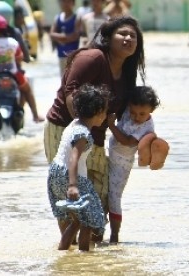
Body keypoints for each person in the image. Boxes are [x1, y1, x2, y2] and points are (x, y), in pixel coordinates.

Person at [44, 15, 146, 242]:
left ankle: (89, 251)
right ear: (108, 38)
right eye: (123, 34)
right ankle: (71, 254)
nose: (128, 38)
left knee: (100, 196)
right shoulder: (92, 58)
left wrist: (146, 138)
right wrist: (83, 131)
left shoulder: (128, 73)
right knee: (70, 193)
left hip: (97, 136)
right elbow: (71, 94)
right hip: (65, 129)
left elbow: (130, 116)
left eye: (133, 36)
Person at [47, 83, 108, 251]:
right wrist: (73, 185)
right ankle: (84, 255)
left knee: (77, 221)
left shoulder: (73, 124)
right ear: (97, 113)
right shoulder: (83, 134)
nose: (106, 115)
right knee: (88, 220)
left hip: (55, 173)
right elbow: (74, 158)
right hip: (72, 177)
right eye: (105, 111)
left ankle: (63, 252)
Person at [107, 86, 169, 243]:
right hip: (109, 153)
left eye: (142, 114)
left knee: (114, 197)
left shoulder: (146, 127)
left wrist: (111, 125)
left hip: (122, 162)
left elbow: (126, 141)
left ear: (151, 110)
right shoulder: (129, 109)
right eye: (133, 112)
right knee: (102, 190)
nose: (136, 117)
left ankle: (114, 236)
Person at [0, 1, 44, 123]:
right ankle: (35, 116)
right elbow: (20, 56)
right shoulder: (13, 40)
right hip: (12, 73)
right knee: (27, 90)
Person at [50, 0, 82, 77]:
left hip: (72, 57)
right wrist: (66, 37)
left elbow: (75, 36)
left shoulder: (77, 18)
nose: (65, 4)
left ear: (73, 3)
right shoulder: (58, 18)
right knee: (63, 80)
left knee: (72, 80)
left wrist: (59, 38)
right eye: (63, 1)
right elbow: (51, 34)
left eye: (68, 1)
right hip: (61, 55)